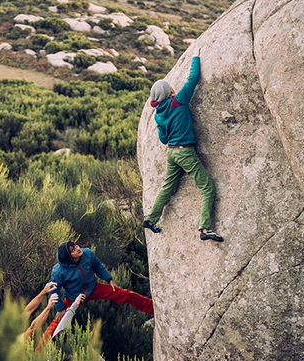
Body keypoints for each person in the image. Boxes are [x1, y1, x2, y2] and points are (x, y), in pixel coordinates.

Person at [142, 51, 223, 242]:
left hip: (172, 153)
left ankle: (151, 218)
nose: (171, 84)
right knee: (207, 187)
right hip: (185, 152)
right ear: (167, 91)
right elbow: (193, 78)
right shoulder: (178, 101)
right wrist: (195, 56)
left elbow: (163, 139)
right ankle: (205, 229)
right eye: (168, 85)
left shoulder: (158, 114)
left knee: (168, 187)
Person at [43, 241, 154, 339]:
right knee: (59, 321)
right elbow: (53, 289)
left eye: (75, 245)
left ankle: (152, 307)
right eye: (72, 250)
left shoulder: (87, 253)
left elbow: (98, 266)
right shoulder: (59, 271)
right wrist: (60, 308)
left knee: (125, 294)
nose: (77, 249)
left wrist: (109, 279)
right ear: (68, 257)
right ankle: (38, 350)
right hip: (74, 298)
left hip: (93, 288)